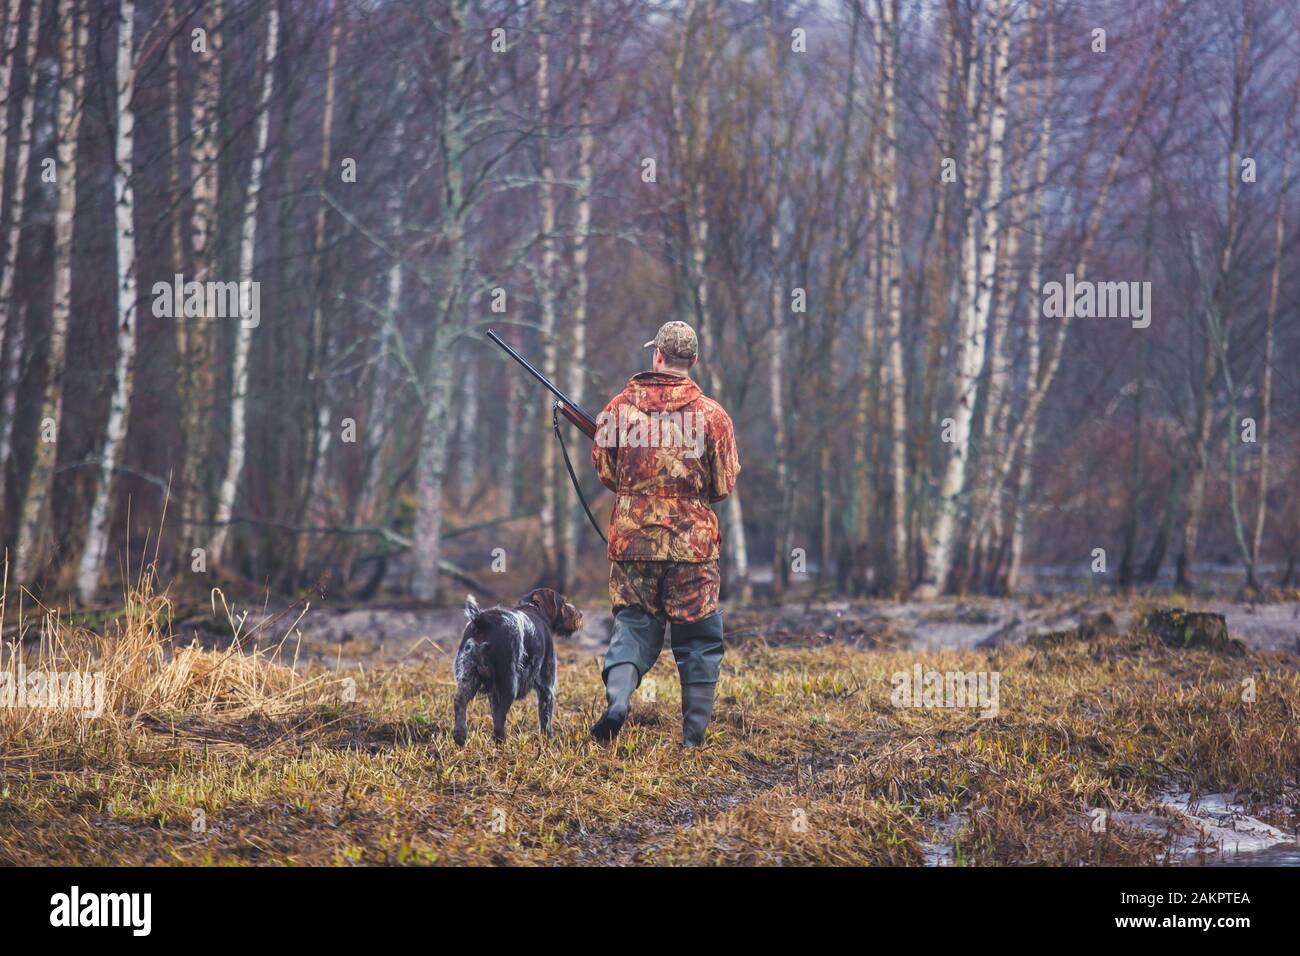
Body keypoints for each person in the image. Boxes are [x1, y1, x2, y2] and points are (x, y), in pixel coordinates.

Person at [589, 320, 740, 746]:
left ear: (657, 355)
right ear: (692, 361)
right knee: (698, 639)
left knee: (634, 627)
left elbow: (605, 471)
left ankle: (618, 702)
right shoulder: (713, 416)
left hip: (633, 543)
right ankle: (692, 739)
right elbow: (724, 485)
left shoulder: (617, 409)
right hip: (693, 548)